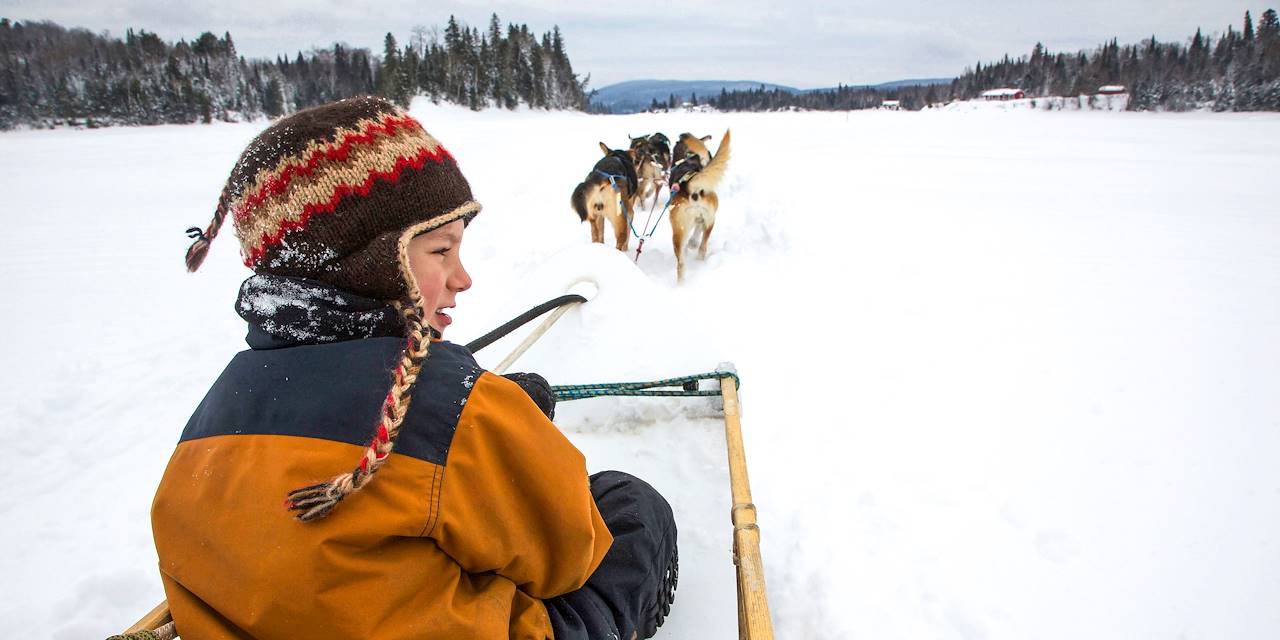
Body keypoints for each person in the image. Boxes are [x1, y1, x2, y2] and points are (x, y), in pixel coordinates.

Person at [151, 96, 677, 640]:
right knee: (630, 507)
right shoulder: (446, 403)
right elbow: (566, 552)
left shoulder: (212, 410)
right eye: (440, 251)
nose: (462, 277)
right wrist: (493, 421)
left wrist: (489, 413)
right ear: (372, 262)